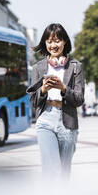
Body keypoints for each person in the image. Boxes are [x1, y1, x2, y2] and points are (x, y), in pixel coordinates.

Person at [26, 23, 85, 180]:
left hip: (67, 120)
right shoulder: (38, 68)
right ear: (45, 43)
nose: (53, 45)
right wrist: (43, 90)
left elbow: (79, 99)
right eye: (49, 41)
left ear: (64, 42)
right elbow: (33, 102)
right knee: (51, 168)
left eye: (57, 40)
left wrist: (63, 88)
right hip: (46, 119)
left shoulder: (75, 67)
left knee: (64, 171)